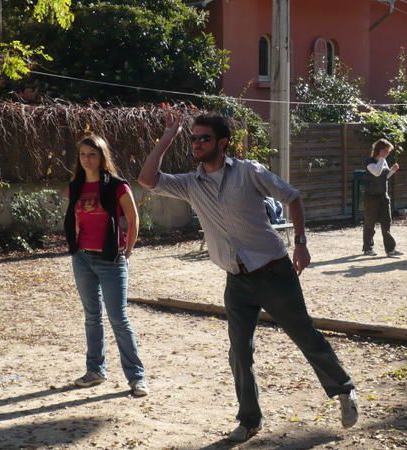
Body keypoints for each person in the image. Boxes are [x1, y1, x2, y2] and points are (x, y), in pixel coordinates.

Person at [138, 113, 357, 443]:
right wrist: (167, 138)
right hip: (236, 280)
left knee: (303, 335)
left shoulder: (249, 172)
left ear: (222, 142)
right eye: (194, 139)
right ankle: (249, 419)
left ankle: (343, 390)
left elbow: (292, 197)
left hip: (273, 271)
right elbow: (146, 179)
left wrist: (300, 244)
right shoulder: (189, 183)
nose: (197, 144)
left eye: (204, 138)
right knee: (240, 350)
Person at [64, 134, 148, 396]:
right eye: (82, 155)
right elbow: (75, 219)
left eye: (92, 154)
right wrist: (76, 246)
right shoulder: (75, 186)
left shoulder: (117, 186)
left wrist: (129, 251)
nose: (87, 159)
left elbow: (133, 220)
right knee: (92, 317)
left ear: (102, 156)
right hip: (83, 258)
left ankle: (136, 378)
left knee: (119, 319)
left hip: (111, 259)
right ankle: (95, 371)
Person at [362, 139, 400, 256]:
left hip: (383, 195)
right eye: (387, 151)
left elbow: (385, 176)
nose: (388, 153)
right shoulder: (369, 161)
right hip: (371, 197)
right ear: (380, 150)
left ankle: (390, 249)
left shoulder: (383, 160)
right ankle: (368, 248)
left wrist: (392, 170)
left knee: (386, 222)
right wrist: (382, 159)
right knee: (370, 223)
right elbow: (377, 173)